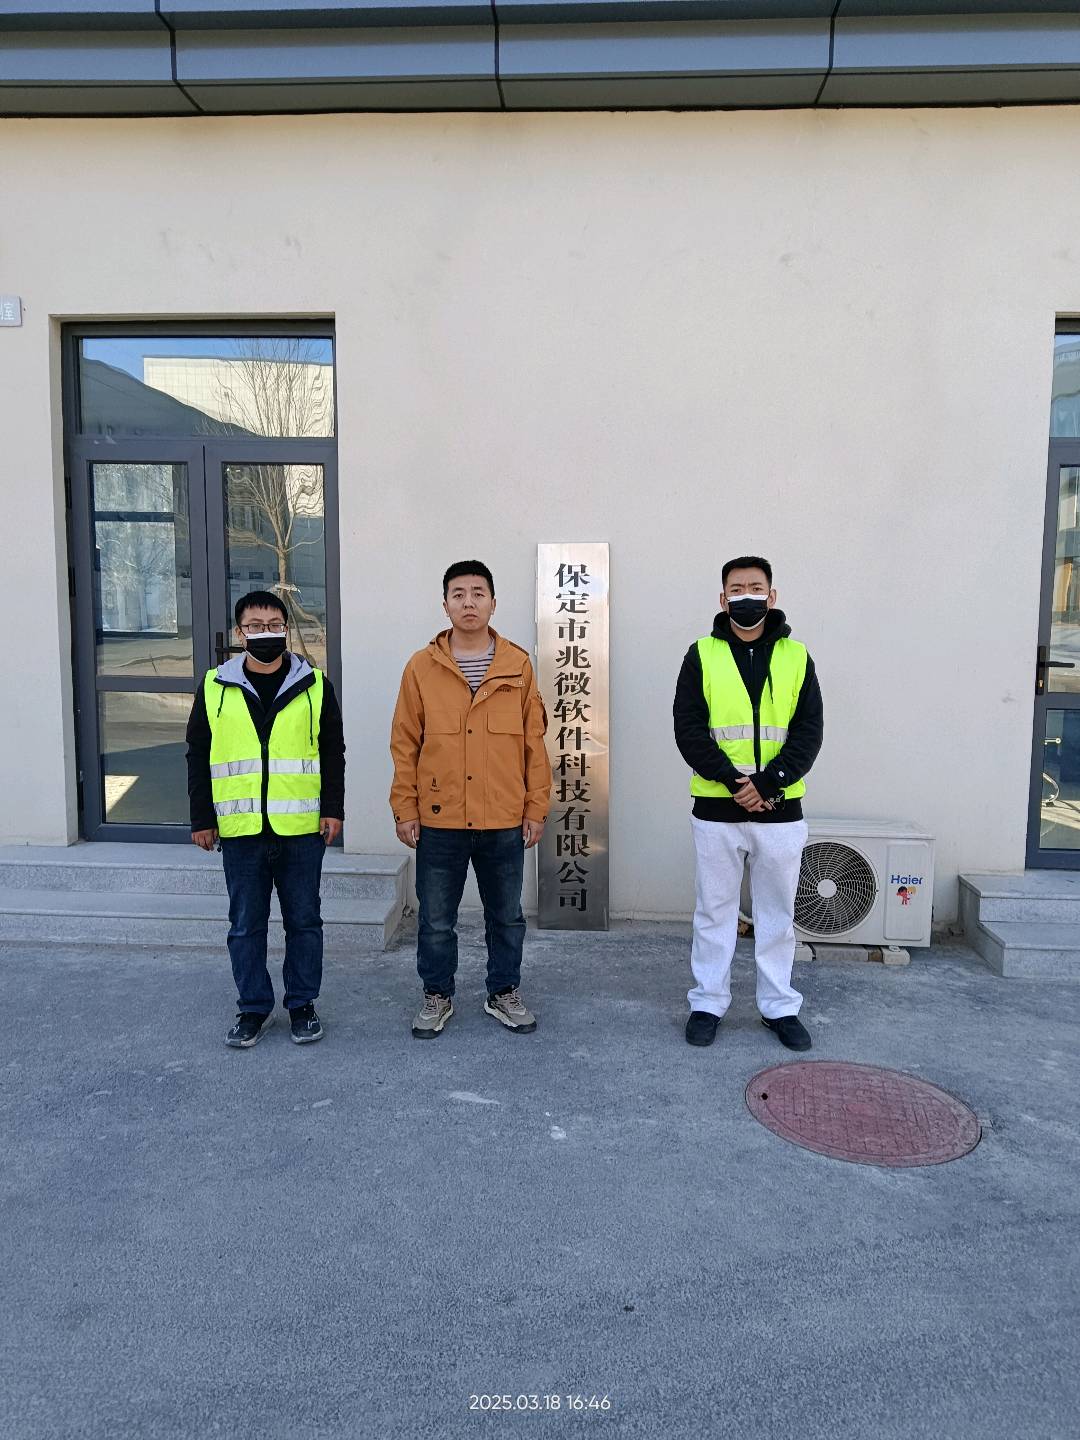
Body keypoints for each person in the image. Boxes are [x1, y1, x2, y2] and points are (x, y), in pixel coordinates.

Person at [390, 561, 552, 1038]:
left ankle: (503, 992)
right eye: (458, 594)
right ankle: (437, 995)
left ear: (493, 603)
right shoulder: (421, 667)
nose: (468, 602)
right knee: (436, 920)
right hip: (440, 820)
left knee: (507, 918)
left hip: (503, 817)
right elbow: (404, 743)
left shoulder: (517, 666)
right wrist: (405, 808)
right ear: (445, 605)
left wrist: (536, 807)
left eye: (478, 593)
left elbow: (534, 742)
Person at [673, 556, 823, 1050]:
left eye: (755, 587)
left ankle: (779, 1006)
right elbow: (688, 729)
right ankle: (707, 1003)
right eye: (736, 589)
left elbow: (808, 732)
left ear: (771, 596)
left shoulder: (797, 656)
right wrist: (733, 780)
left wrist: (770, 782)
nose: (746, 596)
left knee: (777, 915)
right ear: (723, 599)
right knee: (714, 912)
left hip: (779, 811)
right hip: (717, 810)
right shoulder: (701, 654)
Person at [186, 590, 345, 1049]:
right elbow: (197, 753)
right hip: (241, 832)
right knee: (245, 926)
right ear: (240, 633)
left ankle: (302, 1005)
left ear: (286, 629)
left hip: (300, 830)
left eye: (274, 624)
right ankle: (253, 1008)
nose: (266, 633)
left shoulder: (315, 685)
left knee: (304, 922)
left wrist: (333, 808)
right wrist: (202, 817)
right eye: (255, 626)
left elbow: (332, 751)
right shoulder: (215, 686)